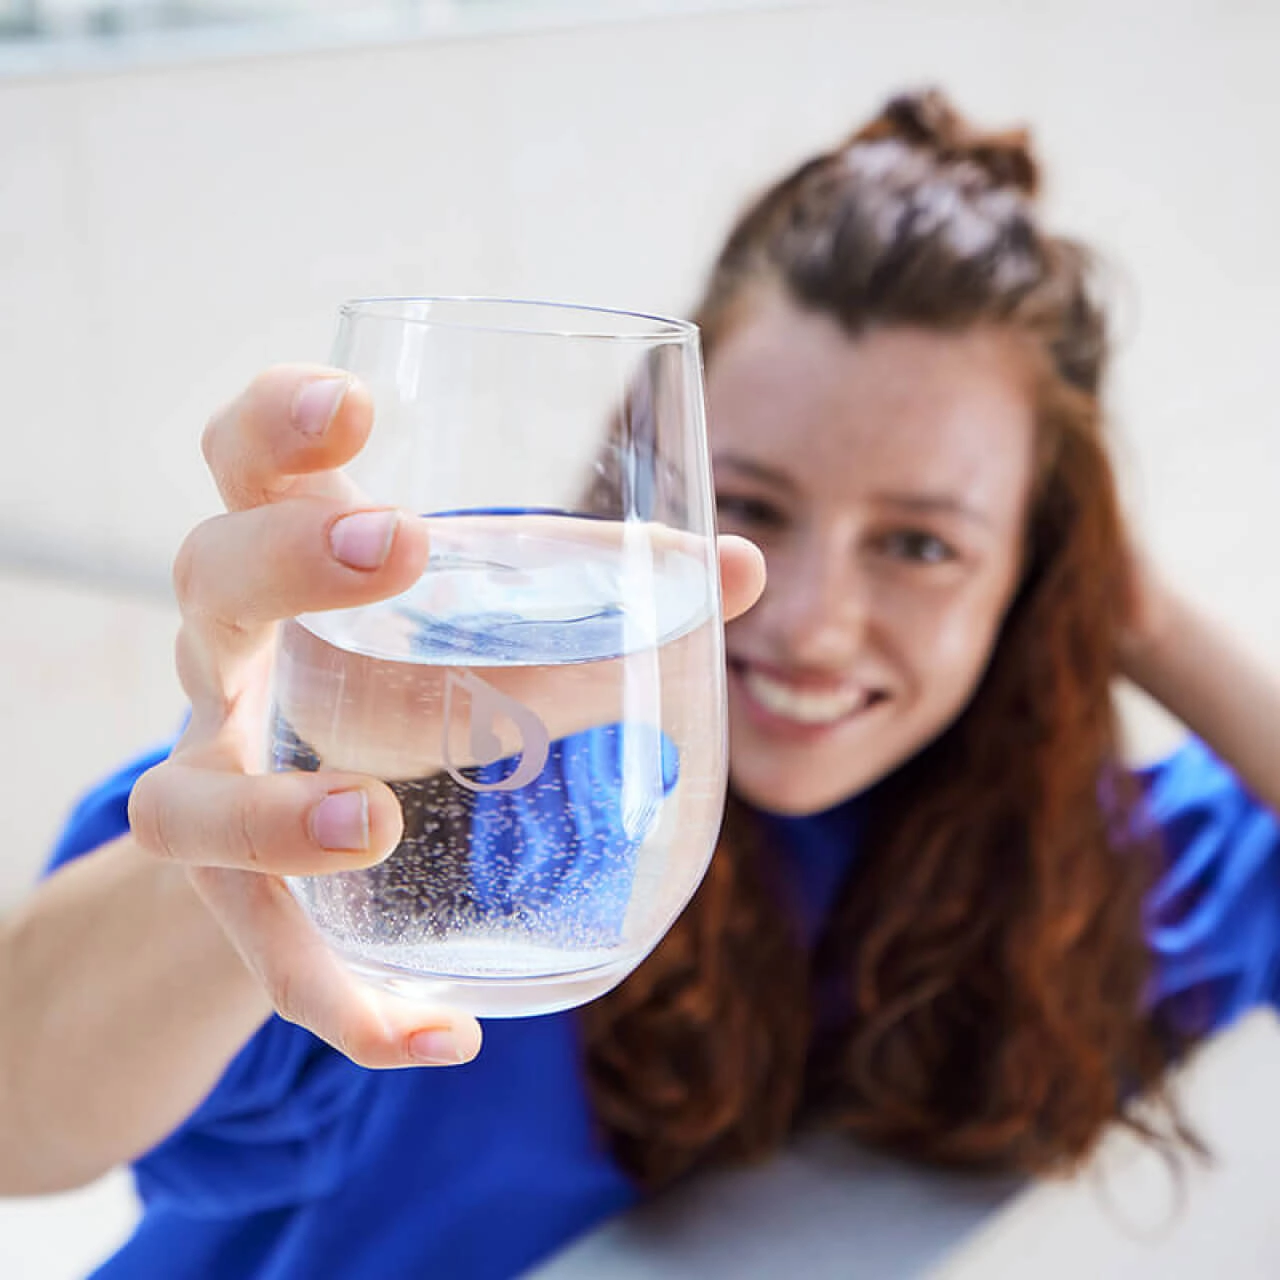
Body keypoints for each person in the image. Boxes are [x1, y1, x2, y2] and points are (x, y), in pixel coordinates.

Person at [5, 88, 1280, 1278]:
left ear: (1035, 575)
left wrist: (1143, 618)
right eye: (751, 506)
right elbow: (19, 1112)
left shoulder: (1076, 879)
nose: (812, 619)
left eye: (920, 542)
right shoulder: (473, 792)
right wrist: (252, 842)